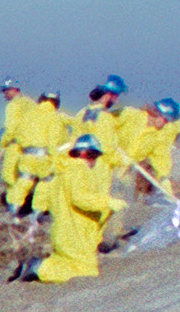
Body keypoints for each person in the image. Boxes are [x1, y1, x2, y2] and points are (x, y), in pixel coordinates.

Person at [20, 134, 117, 283]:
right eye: (92, 155)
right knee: (86, 270)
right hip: (75, 233)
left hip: (63, 231)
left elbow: (45, 196)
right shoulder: (79, 170)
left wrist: (38, 212)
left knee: (66, 261)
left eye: (95, 156)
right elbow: (80, 198)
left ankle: (41, 266)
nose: (92, 161)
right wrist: (107, 203)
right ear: (82, 154)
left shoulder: (61, 172)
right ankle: (40, 267)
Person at [7, 91, 72, 213]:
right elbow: (57, 139)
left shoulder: (28, 116)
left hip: (27, 155)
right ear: (56, 103)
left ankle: (13, 210)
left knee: (24, 181)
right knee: (45, 184)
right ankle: (37, 213)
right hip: (45, 157)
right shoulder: (57, 117)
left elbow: (17, 133)